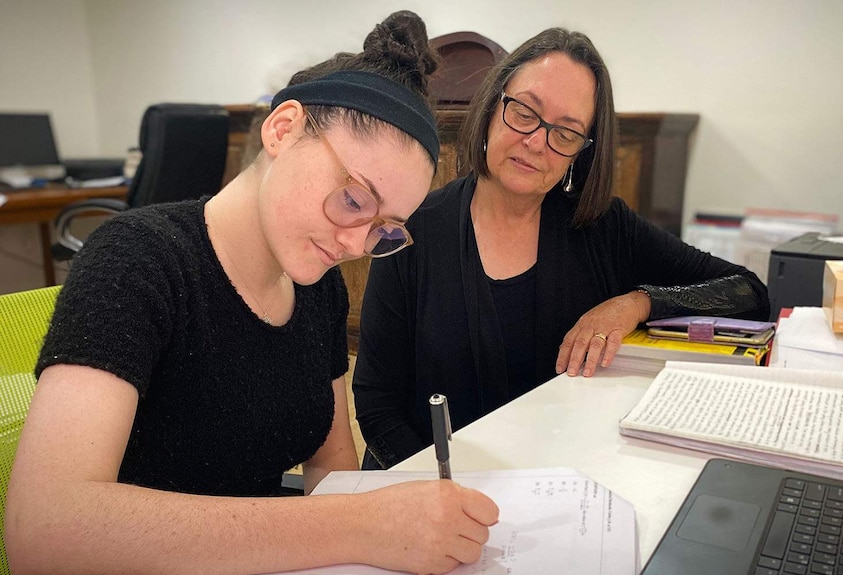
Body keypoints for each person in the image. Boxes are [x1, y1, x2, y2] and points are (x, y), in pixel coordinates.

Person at [4, 11, 498, 575]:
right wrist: (360, 525)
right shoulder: (138, 261)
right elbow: (42, 530)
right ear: (283, 129)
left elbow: (330, 476)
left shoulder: (318, 291)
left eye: (384, 229)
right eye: (356, 201)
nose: (356, 243)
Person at [353, 27, 771, 470]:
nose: (536, 142)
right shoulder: (413, 229)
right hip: (431, 490)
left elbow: (749, 293)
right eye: (525, 112)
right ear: (494, 106)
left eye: (566, 133)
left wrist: (638, 302)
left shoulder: (604, 228)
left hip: (565, 483)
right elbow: (377, 402)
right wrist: (438, 488)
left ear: (581, 153)